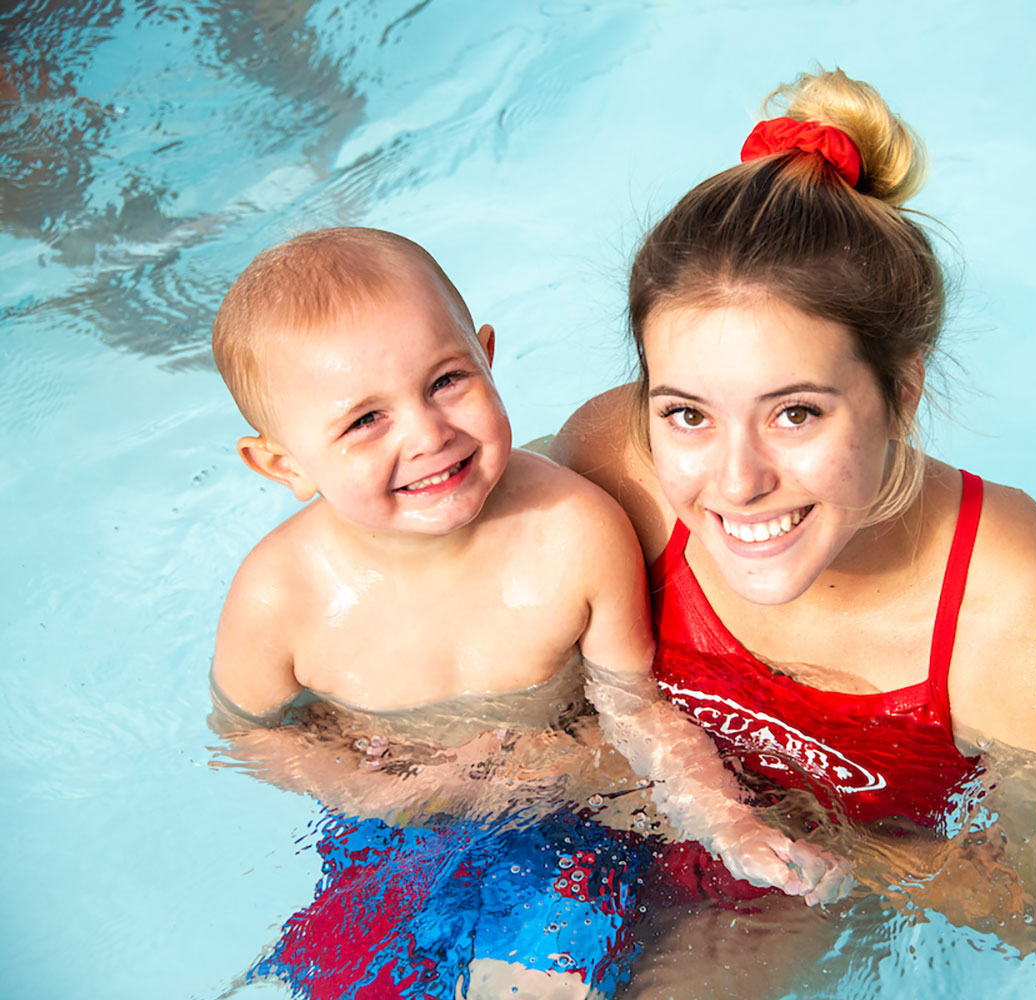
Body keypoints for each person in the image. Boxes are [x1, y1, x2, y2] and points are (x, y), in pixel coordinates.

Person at [551, 69, 1036, 987]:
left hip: (783, 896)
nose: (737, 482)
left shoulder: (1014, 613)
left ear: (900, 394)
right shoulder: (613, 465)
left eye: (796, 414)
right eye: (687, 414)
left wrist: (793, 840)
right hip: (598, 803)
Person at [207, 227, 850, 999]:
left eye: (446, 381)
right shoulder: (279, 595)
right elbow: (250, 734)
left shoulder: (575, 531)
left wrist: (730, 822)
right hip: (385, 833)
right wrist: (371, 793)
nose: (428, 432)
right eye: (364, 421)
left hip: (561, 824)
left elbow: (635, 707)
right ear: (281, 463)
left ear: (485, 353)